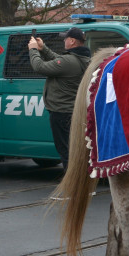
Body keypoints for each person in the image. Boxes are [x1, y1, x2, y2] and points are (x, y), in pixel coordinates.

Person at [28, 27, 91, 170]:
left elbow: (39, 67)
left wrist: (33, 50)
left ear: (72, 41)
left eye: (66, 38)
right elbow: (60, 61)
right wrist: (43, 48)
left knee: (66, 151)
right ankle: (80, 186)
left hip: (61, 113)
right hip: (72, 111)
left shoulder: (69, 61)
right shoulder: (83, 58)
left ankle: (73, 187)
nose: (64, 40)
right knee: (74, 150)